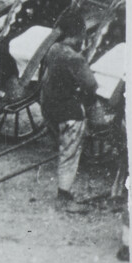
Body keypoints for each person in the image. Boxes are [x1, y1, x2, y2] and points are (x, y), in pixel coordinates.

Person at [38, 23, 104, 202]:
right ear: (78, 36)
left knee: (63, 147)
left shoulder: (54, 49)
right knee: (70, 153)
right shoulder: (76, 59)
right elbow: (91, 85)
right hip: (69, 113)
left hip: (50, 108)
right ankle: (64, 192)